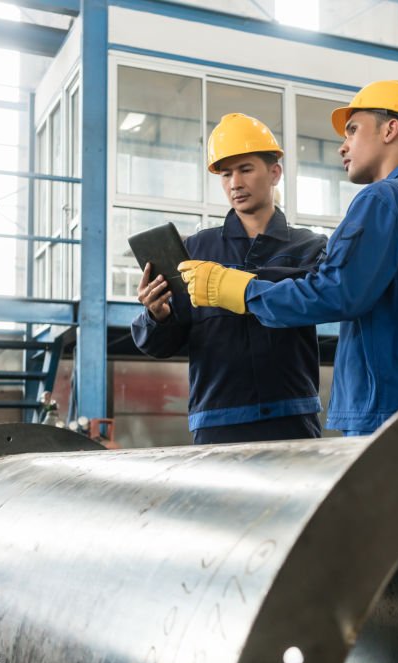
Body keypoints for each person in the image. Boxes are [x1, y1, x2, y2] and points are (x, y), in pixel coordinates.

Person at [180, 80, 398, 436]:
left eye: (352, 130)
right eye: (225, 174)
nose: (343, 146)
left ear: (390, 129)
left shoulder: (381, 199)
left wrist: (239, 289)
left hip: (383, 415)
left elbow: (337, 292)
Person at [132, 113, 327, 444]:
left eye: (246, 169)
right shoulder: (194, 250)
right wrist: (157, 315)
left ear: (275, 172)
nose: (235, 183)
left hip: (291, 417)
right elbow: (159, 345)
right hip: (217, 420)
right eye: (225, 174)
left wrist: (232, 281)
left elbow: (317, 303)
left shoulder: (309, 247)